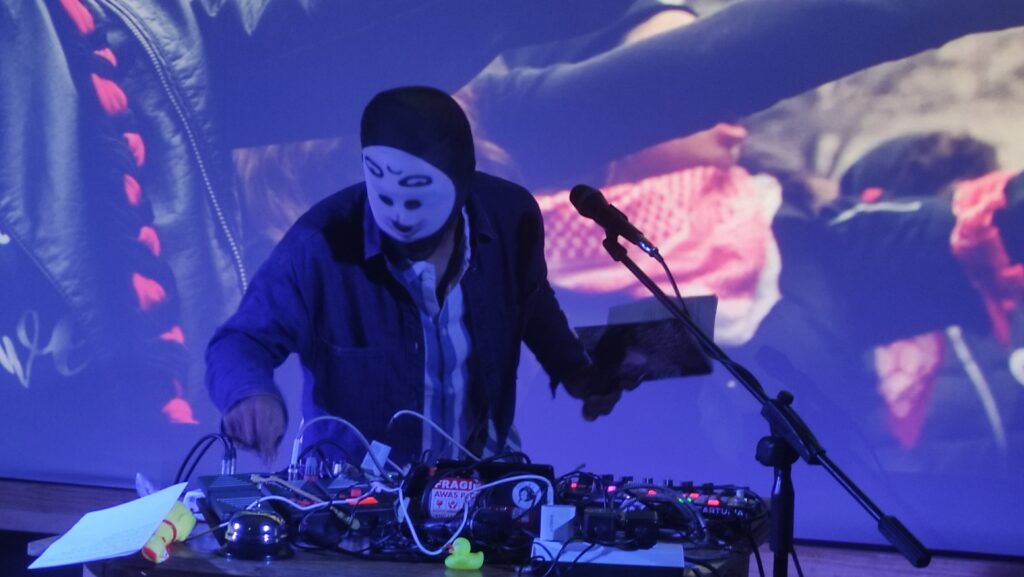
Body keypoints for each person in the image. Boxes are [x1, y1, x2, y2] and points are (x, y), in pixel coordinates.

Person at [206, 87, 620, 463]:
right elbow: (241, 340)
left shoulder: (511, 218)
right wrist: (249, 392)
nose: (400, 218)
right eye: (385, 197)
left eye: (416, 197)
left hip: (483, 479)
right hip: (360, 496)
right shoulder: (318, 246)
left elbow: (532, 301)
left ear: (460, 179)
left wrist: (575, 370)